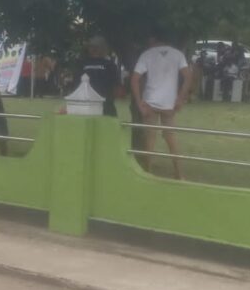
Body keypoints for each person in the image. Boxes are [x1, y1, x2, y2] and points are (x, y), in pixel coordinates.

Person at [131, 33, 192, 180]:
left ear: (153, 39)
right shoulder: (177, 54)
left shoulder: (147, 54)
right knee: (171, 138)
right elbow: (188, 77)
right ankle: (179, 173)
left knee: (150, 138)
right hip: (169, 103)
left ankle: (147, 171)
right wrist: (180, 98)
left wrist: (139, 102)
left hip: (150, 102)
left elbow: (134, 79)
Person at [81, 36, 120, 117]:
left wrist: (110, 98)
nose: (94, 49)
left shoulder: (110, 64)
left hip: (106, 104)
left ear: (103, 49)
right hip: (86, 103)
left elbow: (116, 85)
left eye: (97, 47)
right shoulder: (82, 63)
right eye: (92, 47)